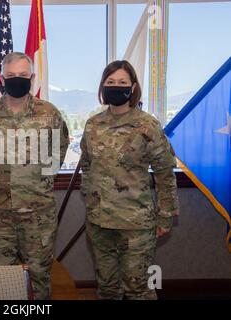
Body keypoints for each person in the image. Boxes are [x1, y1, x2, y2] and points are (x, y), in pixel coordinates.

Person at [0, 52, 69, 300]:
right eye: (11, 75)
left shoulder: (49, 113)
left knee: (39, 279)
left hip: (38, 216)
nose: (17, 80)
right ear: (2, 78)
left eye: (23, 75)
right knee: (0, 282)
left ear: (32, 78)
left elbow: (58, 153)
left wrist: (35, 182)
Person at [79, 60, 179, 300]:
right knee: (107, 288)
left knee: (137, 290)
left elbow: (165, 172)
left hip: (135, 225)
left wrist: (165, 215)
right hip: (100, 223)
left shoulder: (147, 125)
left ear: (133, 87)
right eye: (110, 82)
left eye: (122, 82)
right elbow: (87, 164)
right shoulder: (93, 125)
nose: (116, 86)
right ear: (103, 87)